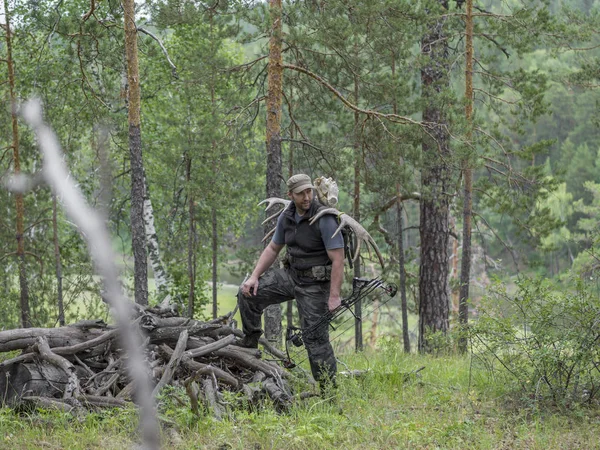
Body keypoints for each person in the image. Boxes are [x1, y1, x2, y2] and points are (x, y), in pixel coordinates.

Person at [236, 173, 345, 386]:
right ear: (290, 195)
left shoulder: (325, 219)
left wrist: (334, 296)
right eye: (300, 193)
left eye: (309, 192)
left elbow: (338, 259)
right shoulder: (286, 216)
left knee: (314, 337)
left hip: (315, 286)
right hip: (291, 276)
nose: (306, 197)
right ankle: (249, 347)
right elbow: (273, 248)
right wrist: (254, 277)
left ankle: (328, 391)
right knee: (247, 295)